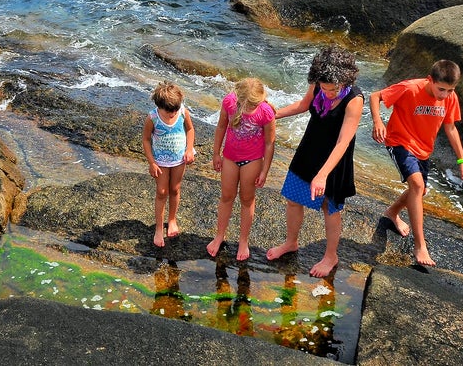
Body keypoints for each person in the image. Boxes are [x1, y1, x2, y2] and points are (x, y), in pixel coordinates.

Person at [267, 45, 364, 278]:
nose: (328, 93)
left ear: (344, 80)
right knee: (292, 198)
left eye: (333, 89)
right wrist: (273, 114)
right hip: (310, 148)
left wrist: (322, 175)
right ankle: (291, 242)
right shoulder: (319, 80)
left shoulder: (354, 99)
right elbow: (303, 105)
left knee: (329, 207)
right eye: (324, 88)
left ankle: (331, 256)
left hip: (334, 160)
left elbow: (343, 142)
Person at [370, 59, 463, 267]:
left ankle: (392, 213)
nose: (444, 95)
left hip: (424, 150)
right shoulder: (410, 88)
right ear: (430, 80)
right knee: (416, 185)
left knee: (420, 190)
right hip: (399, 141)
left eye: (450, 90)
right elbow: (375, 96)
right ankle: (420, 245)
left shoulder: (450, 99)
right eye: (441, 89)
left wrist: (462, 161)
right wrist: (378, 121)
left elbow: (451, 129)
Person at [206, 77, 276, 261]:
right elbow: (221, 126)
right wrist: (216, 153)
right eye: (248, 105)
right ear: (239, 99)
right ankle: (219, 235)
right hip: (230, 157)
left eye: (254, 105)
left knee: (247, 198)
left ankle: (243, 240)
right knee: (227, 195)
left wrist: (264, 171)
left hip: (252, 160)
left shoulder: (266, 112)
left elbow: (270, 143)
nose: (251, 109)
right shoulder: (229, 102)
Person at [142, 81, 196, 247]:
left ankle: (172, 219)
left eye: (175, 110)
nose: (173, 113)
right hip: (160, 161)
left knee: (175, 189)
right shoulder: (153, 117)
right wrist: (151, 162)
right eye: (169, 111)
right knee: (161, 191)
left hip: (180, 158)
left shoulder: (182, 112)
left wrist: (189, 149)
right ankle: (159, 228)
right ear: (159, 105)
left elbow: (190, 130)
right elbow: (146, 139)